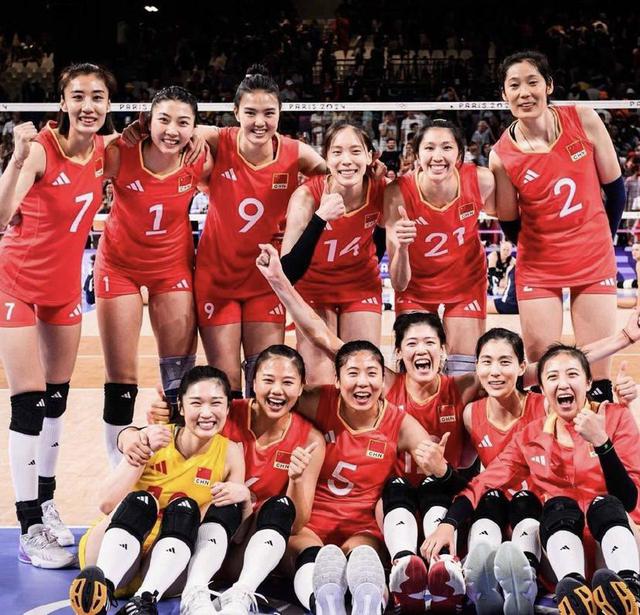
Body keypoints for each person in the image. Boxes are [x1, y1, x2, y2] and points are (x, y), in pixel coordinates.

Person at [122, 65, 326, 397]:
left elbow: (337, 175)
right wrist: (143, 127)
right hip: (217, 280)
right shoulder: (219, 140)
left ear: (280, 113)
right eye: (250, 112)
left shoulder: (295, 153)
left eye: (269, 113)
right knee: (226, 383)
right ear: (236, 112)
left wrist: (368, 172)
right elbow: (178, 127)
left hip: (265, 281)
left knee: (263, 382)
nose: (259, 121)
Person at [0, 63, 118, 566]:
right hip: (17, 285)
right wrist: (14, 160)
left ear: (108, 104)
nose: (88, 105)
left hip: (64, 289)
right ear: (63, 102)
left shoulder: (106, 152)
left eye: (98, 97)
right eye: (79, 96)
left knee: (56, 400)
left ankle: (46, 502)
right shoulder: (39, 150)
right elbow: (1, 216)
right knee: (28, 402)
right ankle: (29, 526)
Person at [424, 345, 640, 615]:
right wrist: (449, 523)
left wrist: (602, 443)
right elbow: (484, 482)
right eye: (552, 377)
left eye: (572, 374)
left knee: (605, 505)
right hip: (562, 552)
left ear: (588, 383)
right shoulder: (530, 436)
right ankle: (574, 595)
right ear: (542, 389)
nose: (563, 383)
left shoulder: (616, 418)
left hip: (614, 545)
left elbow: (630, 499)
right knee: (558, 506)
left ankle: (630, 591)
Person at [124, 345, 326, 614]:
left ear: (301, 387)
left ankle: (243, 594)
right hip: (198, 533)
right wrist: (129, 435)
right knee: (225, 502)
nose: (277, 390)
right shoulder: (222, 413)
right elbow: (170, 431)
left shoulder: (310, 440)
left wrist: (296, 480)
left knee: (284, 514)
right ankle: (193, 590)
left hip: (251, 543)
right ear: (253, 381)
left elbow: (296, 522)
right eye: (268, 380)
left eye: (288, 382)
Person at [491, 50, 625, 403]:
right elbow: (509, 221)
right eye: (514, 86)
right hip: (539, 266)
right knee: (541, 373)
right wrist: (537, 249)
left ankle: (597, 437)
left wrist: (603, 239)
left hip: (593, 258)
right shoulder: (501, 155)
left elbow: (615, 190)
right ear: (504, 95)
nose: (524, 93)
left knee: (597, 376)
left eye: (532, 82)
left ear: (548, 85)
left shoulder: (583, 118)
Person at [69, 366, 250, 615]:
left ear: (228, 408)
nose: (206, 412)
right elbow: (106, 504)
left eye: (216, 403)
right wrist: (139, 453)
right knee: (142, 501)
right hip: (114, 547)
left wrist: (244, 498)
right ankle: (101, 591)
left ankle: (143, 602)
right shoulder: (154, 436)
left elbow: (235, 536)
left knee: (185, 511)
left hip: (167, 566)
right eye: (196, 403)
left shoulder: (230, 453)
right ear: (181, 407)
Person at [96, 86, 211, 466]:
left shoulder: (200, 157)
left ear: (194, 127)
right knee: (120, 377)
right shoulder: (121, 152)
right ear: (148, 121)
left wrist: (201, 135)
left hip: (172, 269)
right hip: (119, 267)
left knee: (179, 375)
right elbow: (81, 160)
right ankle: (119, 468)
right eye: (164, 120)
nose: (172, 130)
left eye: (183, 122)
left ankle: (177, 465)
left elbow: (234, 142)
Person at [385, 119, 496, 377]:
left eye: (446, 147)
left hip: (466, 282)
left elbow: (506, 213)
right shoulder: (397, 193)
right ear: (416, 154)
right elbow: (399, 283)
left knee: (463, 373)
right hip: (415, 286)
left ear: (460, 154)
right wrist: (402, 248)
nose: (438, 156)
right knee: (417, 368)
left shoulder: (482, 180)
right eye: (429, 148)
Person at [279, 121, 387, 384]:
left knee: (363, 372)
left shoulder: (382, 190)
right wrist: (319, 218)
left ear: (370, 156)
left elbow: (383, 237)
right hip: (313, 289)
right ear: (326, 159)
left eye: (355, 151)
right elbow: (287, 272)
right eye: (337, 152)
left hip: (360, 286)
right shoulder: (306, 196)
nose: (346, 160)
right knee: (319, 382)